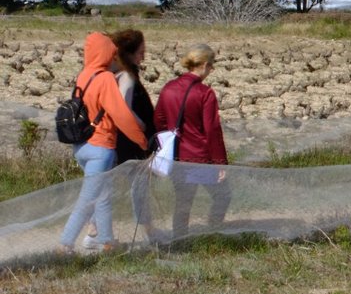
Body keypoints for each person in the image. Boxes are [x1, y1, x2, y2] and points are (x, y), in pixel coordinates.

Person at [58, 32, 150, 255]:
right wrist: (141, 140)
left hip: (81, 146)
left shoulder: (84, 75)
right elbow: (120, 114)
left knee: (102, 195)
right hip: (101, 146)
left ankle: (107, 242)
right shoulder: (106, 78)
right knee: (89, 197)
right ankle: (65, 244)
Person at [82, 29, 158, 247]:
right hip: (130, 141)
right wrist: (142, 127)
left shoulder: (110, 73)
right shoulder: (126, 77)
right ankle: (147, 232)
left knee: (107, 185)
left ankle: (94, 232)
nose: (143, 57)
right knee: (138, 184)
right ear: (130, 53)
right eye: (141, 52)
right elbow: (123, 108)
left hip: (119, 139)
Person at [153, 44, 231, 239]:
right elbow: (212, 130)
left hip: (176, 157)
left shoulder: (168, 88)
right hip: (199, 158)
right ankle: (213, 232)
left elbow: (159, 120)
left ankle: (179, 239)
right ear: (204, 65)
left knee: (183, 202)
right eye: (211, 65)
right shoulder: (205, 93)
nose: (211, 70)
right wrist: (220, 163)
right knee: (223, 195)